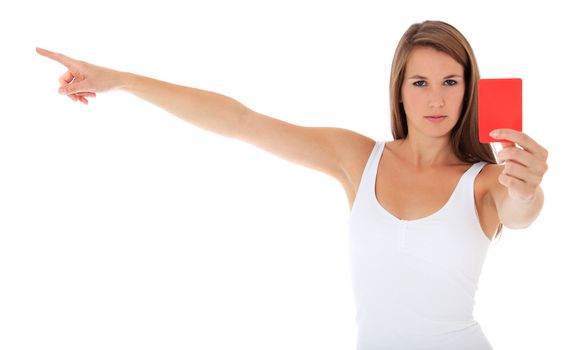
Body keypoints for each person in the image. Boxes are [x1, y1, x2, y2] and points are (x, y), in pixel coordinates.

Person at [37, 20, 548, 350]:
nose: (435, 99)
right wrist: (122, 80)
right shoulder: (358, 159)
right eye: (420, 82)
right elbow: (240, 120)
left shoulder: (486, 182)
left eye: (450, 82)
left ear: (468, 90)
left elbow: (522, 209)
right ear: (399, 89)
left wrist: (526, 190)